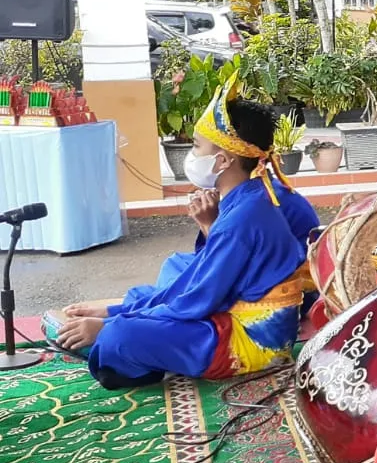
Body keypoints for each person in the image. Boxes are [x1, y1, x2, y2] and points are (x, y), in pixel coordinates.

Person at [55, 77, 309, 389]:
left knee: (120, 337)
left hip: (254, 341)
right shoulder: (248, 195)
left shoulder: (243, 216)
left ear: (223, 160)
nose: (192, 154)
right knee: (177, 268)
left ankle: (118, 329)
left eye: (197, 146)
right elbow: (209, 278)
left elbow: (198, 300)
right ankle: (127, 313)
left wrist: (109, 325)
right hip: (242, 307)